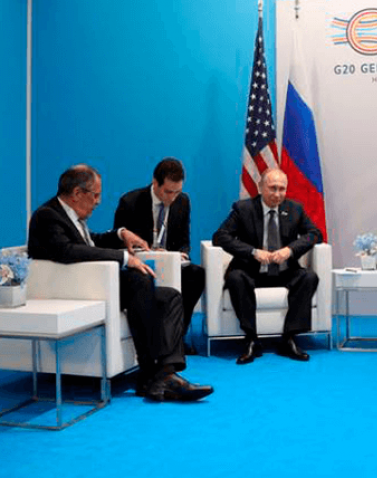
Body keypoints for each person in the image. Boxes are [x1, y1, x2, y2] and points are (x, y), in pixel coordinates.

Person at [28, 164, 213, 402]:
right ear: (77, 193)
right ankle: (153, 375)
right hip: (80, 289)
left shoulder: (72, 216)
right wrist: (124, 258)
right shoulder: (47, 216)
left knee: (170, 296)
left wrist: (121, 234)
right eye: (95, 195)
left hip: (95, 282)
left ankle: (165, 373)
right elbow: (68, 251)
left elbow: (89, 241)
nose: (98, 201)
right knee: (139, 279)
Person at [212, 168, 322, 364]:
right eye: (272, 188)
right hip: (251, 271)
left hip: (284, 271)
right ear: (260, 187)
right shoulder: (243, 209)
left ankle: (289, 338)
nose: (277, 194)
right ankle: (251, 339)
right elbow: (220, 237)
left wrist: (290, 250)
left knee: (309, 277)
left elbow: (315, 234)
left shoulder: (294, 209)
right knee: (236, 278)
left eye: (282, 189)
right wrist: (253, 252)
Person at [114, 157, 205, 354]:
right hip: (142, 264)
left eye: (177, 192)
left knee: (197, 275)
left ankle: (176, 338)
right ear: (155, 183)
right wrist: (150, 253)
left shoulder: (183, 201)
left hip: (170, 262)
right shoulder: (130, 202)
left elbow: (184, 240)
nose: (172, 198)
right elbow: (120, 244)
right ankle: (155, 341)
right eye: (168, 192)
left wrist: (181, 254)